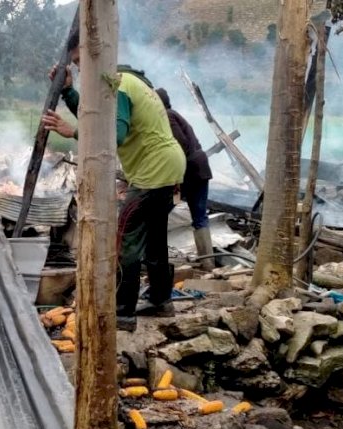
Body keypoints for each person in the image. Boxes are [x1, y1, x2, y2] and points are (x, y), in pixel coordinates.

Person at [40, 37, 185, 317]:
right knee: (154, 238)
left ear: (98, 53)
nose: (81, 69)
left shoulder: (115, 84)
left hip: (153, 171)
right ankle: (160, 300)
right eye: (76, 64)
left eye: (81, 61)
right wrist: (70, 92)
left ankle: (122, 310)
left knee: (125, 235)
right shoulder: (125, 79)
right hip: (168, 166)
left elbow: (112, 136)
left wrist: (73, 132)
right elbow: (98, 116)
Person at [155, 88, 214, 271]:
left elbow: (179, 146)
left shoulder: (166, 116)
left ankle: (157, 260)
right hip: (198, 171)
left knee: (162, 210)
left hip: (186, 175)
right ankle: (208, 263)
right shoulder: (173, 114)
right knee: (199, 215)